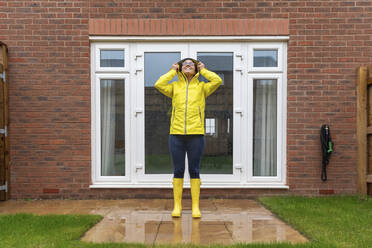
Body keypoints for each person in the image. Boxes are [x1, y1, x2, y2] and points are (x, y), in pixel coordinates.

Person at [155, 58, 222, 218]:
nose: (187, 65)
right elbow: (158, 84)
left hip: (196, 134)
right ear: (179, 68)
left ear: (196, 69)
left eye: (191, 64)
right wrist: (172, 71)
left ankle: (195, 207)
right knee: (178, 170)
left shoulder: (202, 87)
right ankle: (177, 206)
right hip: (176, 134)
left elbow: (217, 80)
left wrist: (204, 70)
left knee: (194, 170)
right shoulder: (174, 87)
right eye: (184, 64)